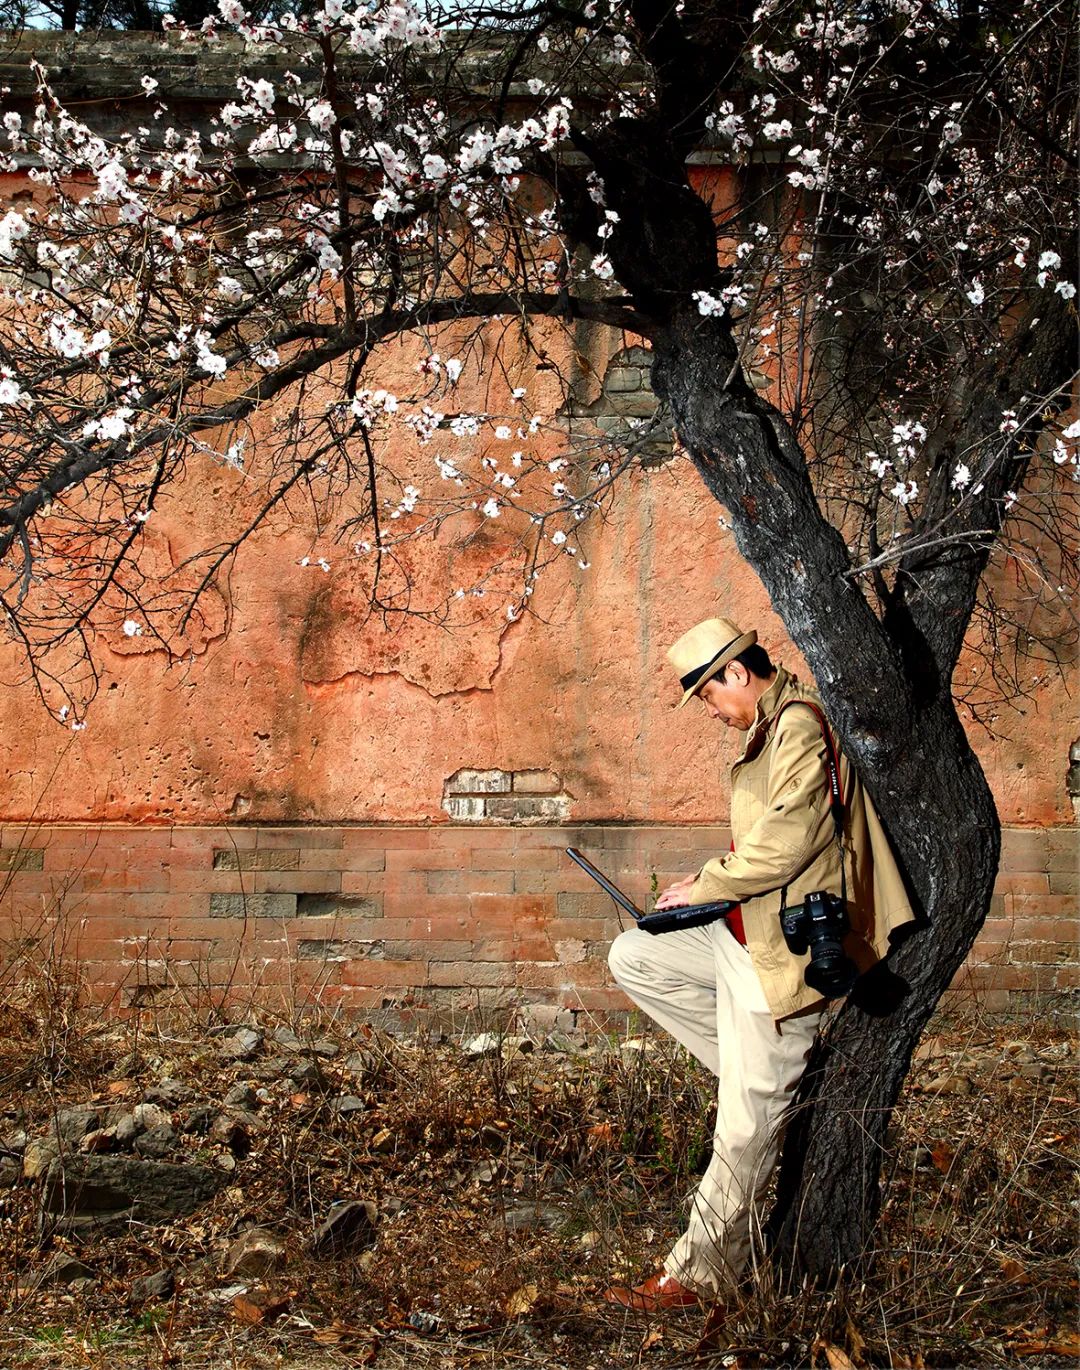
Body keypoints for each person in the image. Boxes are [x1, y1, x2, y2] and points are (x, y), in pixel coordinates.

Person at [603, 616, 915, 1313]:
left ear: (737, 673)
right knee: (636, 954)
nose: (711, 712)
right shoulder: (771, 728)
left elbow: (789, 839)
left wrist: (707, 882)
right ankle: (774, 1090)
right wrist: (705, 891)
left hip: (782, 953)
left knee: (741, 1130)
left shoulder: (799, 725)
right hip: (741, 935)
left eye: (709, 696)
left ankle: (700, 1278)